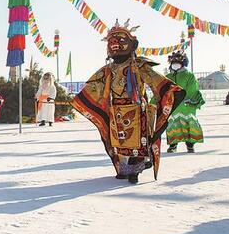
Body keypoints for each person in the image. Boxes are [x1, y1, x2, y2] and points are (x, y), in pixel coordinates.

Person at [72, 19, 184, 184]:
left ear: (133, 45)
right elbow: (94, 88)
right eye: (111, 41)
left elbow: (157, 82)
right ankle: (125, 169)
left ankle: (135, 169)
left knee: (137, 141)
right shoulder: (107, 70)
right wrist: (81, 99)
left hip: (136, 110)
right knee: (119, 142)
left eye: (121, 40)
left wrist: (170, 91)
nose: (115, 44)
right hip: (115, 110)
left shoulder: (139, 66)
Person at [165, 51, 204, 153]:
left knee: (189, 125)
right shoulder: (168, 77)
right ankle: (173, 145)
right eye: (173, 62)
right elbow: (162, 90)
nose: (175, 64)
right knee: (172, 126)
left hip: (186, 106)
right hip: (172, 107)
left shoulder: (189, 75)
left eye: (177, 62)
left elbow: (192, 89)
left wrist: (187, 99)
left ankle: (190, 145)